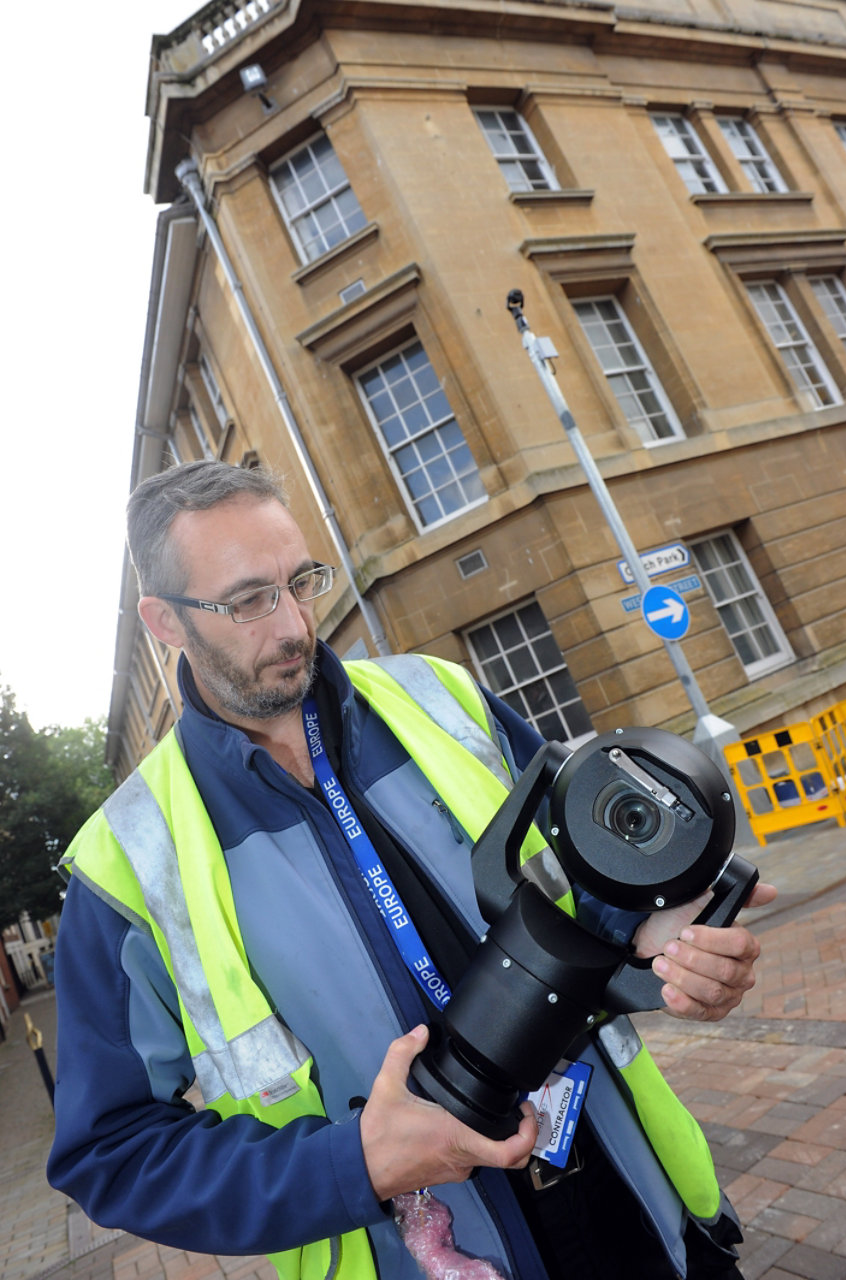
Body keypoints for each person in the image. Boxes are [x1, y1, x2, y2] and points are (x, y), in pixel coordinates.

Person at [48, 460, 775, 1280]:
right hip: (438, 1254)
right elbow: (108, 1153)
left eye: (302, 581)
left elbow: (597, 885)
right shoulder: (127, 862)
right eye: (249, 600)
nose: (292, 625)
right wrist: (351, 1164)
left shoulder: (440, 696)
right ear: (166, 623)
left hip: (636, 1204)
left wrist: (669, 944)